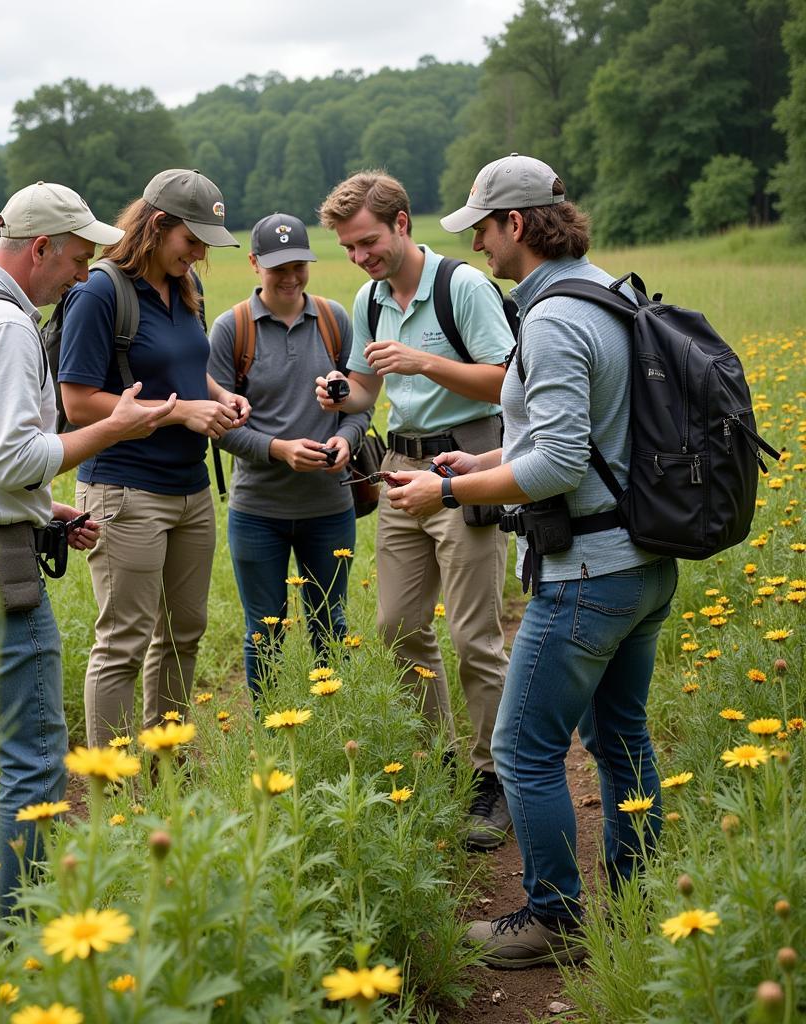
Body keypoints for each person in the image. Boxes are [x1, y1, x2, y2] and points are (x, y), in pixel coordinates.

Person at [387, 153, 678, 967]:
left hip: (588, 572)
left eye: (482, 227)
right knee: (620, 736)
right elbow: (589, 442)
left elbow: (557, 464)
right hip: (643, 559)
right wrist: (474, 469)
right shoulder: (607, 293)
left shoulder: (550, 319)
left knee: (520, 749)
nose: (477, 243)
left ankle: (554, 916)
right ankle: (635, 895)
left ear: (516, 224)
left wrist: (446, 500)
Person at [0, 181, 178, 916]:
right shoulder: (4, 324)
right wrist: (114, 429)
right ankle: (21, 930)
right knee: (33, 762)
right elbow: (14, 457)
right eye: (77, 258)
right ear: (40, 249)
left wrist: (39, 510)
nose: (84, 274)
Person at [316, 171, 515, 850]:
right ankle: (444, 761)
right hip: (399, 470)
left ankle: (496, 778)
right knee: (398, 626)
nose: (360, 257)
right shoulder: (370, 298)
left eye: (368, 241)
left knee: (474, 634)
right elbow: (367, 388)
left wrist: (424, 364)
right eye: (348, 247)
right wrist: (339, 392)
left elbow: (508, 380)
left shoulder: (462, 287)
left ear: (402, 223)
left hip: (469, 462)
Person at [57, 169, 250, 745]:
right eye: (191, 241)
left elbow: (185, 372)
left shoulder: (184, 288)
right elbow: (80, 402)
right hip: (125, 490)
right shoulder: (101, 291)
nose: (198, 255)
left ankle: (168, 764)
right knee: (124, 641)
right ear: (157, 224)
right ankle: (112, 788)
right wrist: (181, 414)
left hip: (190, 489)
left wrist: (218, 396)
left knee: (185, 631)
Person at [207, 213, 370, 696]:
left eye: (299, 264)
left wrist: (348, 440)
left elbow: (357, 404)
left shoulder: (334, 320)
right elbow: (217, 427)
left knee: (331, 624)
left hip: (330, 509)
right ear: (255, 263)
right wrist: (278, 450)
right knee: (265, 629)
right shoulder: (231, 329)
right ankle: (271, 736)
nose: (291, 276)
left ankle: (333, 729)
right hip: (258, 513)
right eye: (278, 266)